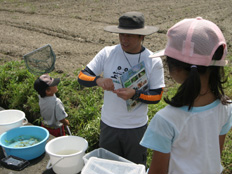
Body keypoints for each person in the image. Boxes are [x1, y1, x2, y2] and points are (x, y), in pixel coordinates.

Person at [140, 17, 232, 174]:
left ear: (175, 69)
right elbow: (215, 154)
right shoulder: (227, 107)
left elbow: (158, 172)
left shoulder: (166, 120)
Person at [78, 11, 165, 165]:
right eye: (121, 34)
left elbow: (157, 96)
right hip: (109, 125)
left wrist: (135, 94)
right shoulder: (107, 53)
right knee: (109, 167)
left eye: (129, 35)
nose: (124, 39)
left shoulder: (153, 61)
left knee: (134, 166)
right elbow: (82, 76)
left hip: (136, 128)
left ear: (142, 36)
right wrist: (98, 80)